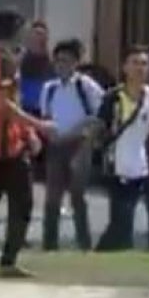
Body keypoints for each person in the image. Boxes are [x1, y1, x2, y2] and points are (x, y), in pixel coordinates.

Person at [0, 10, 48, 277]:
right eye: (23, 28)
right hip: (3, 146)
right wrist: (39, 125)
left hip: (3, 143)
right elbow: (3, 105)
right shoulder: (5, 61)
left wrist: (27, 134)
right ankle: (8, 261)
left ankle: (9, 260)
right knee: (21, 203)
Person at [95, 47, 149, 253]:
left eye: (144, 64)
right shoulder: (113, 97)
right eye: (135, 63)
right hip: (119, 163)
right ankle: (109, 252)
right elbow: (101, 127)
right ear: (125, 67)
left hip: (148, 161)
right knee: (122, 219)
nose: (140, 68)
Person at [39, 39, 103, 252]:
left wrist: (79, 132)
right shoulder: (49, 88)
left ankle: (84, 244)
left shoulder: (86, 86)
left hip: (79, 144)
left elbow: (99, 116)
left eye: (66, 61)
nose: (61, 65)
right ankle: (50, 244)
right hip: (56, 145)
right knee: (52, 197)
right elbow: (45, 116)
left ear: (76, 62)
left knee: (77, 194)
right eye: (57, 61)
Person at [18, 20, 53, 118]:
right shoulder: (19, 62)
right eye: (35, 35)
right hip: (22, 111)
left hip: (45, 113)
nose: (37, 39)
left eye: (41, 36)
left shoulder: (52, 64)